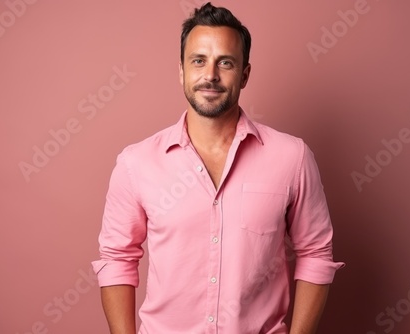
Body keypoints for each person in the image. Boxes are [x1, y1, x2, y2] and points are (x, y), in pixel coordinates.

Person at [92, 2, 344, 333]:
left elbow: (315, 254)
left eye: (225, 62)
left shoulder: (292, 158)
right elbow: (117, 260)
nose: (210, 75)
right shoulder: (136, 163)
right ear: (182, 71)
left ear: (245, 73)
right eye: (198, 61)